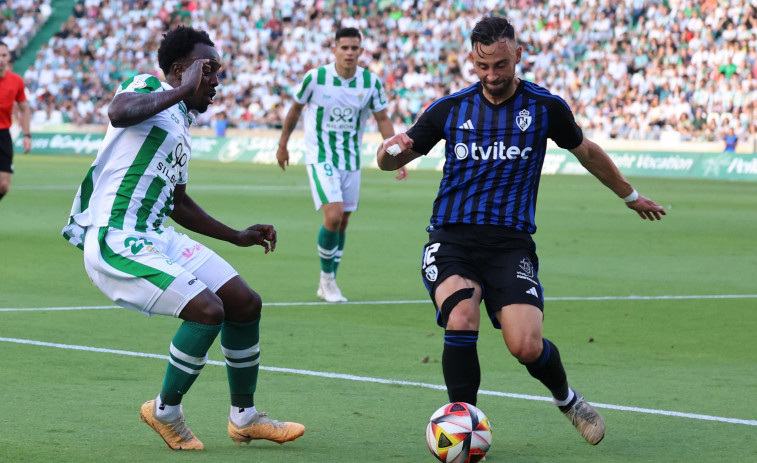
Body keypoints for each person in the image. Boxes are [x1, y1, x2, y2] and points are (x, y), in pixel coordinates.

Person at [377, 16, 666, 446]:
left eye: (500, 65)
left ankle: (568, 400)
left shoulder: (545, 107)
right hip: (451, 239)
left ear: (518, 55)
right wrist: (387, 153)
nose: (491, 76)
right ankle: (463, 426)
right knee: (461, 314)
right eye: (482, 67)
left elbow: (585, 151)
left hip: (510, 245)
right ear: (472, 61)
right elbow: (395, 157)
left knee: (526, 346)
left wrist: (630, 195)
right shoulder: (450, 109)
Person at [61, 26, 305, 451]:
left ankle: (244, 418)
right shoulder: (150, 86)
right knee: (207, 310)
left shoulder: (181, 123)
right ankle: (164, 411)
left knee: (245, 303)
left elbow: (179, 202)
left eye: (217, 73)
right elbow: (119, 111)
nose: (215, 81)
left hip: (159, 234)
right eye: (208, 71)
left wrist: (237, 236)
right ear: (180, 69)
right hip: (117, 237)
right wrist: (180, 90)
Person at [276, 27, 407, 303]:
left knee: (343, 222)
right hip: (321, 156)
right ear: (334, 49)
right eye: (344, 47)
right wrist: (282, 144)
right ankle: (327, 280)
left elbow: (382, 118)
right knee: (333, 216)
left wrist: (396, 155)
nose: (349, 53)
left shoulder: (370, 82)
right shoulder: (316, 77)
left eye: (354, 48)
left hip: (351, 158)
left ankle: (329, 281)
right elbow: (295, 109)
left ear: (361, 51)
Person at [0, 40, 32, 203]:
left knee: (4, 185)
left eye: (4, 55)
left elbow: (24, 108)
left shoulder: (16, 81)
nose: (1, 59)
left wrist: (27, 135)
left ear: (8, 57)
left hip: (4, 134)